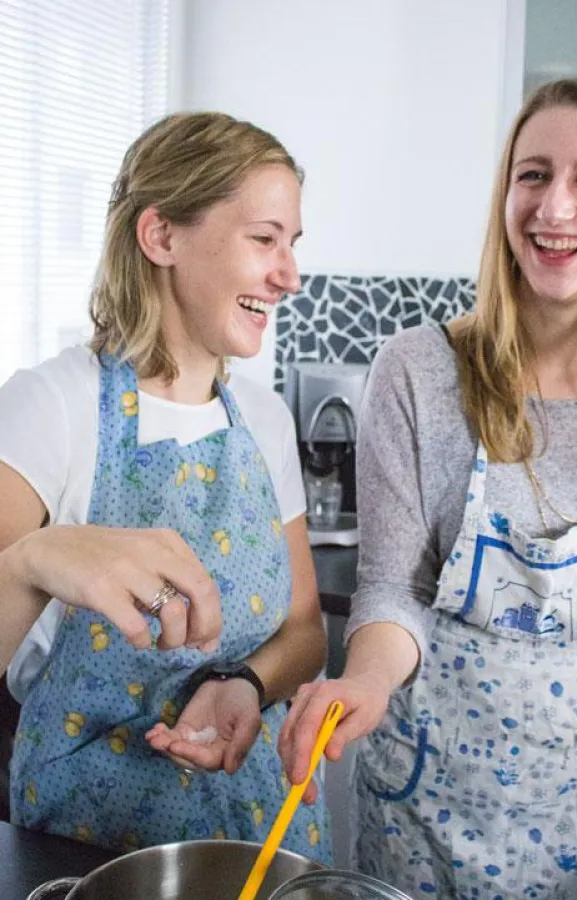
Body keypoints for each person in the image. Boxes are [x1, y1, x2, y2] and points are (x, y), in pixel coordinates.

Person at [279, 78, 577, 898]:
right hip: (428, 803)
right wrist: (364, 681)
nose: (554, 207)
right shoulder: (418, 370)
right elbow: (394, 588)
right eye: (532, 174)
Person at [0, 111, 331, 861]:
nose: (289, 275)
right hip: (90, 848)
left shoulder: (264, 421)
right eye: (264, 239)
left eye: (293, 243)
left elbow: (306, 631)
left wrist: (246, 683)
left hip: (257, 827)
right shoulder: (50, 408)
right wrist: (31, 561)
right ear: (161, 236)